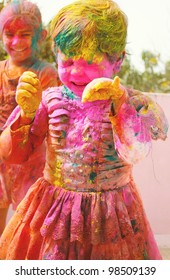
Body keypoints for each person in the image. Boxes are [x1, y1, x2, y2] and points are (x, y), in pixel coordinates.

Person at [0, 0, 168, 260]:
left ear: (118, 60)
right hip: (54, 213)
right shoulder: (51, 99)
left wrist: (120, 107)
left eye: (89, 61)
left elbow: (135, 152)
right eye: (66, 62)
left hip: (113, 214)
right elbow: (14, 155)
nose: (76, 72)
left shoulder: (131, 102)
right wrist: (26, 114)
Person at [0, 0, 59, 235]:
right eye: (9, 34)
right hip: (1, 161)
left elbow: (40, 120)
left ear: (40, 35)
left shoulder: (45, 72)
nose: (16, 42)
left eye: (25, 34)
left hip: (31, 159)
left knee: (28, 226)